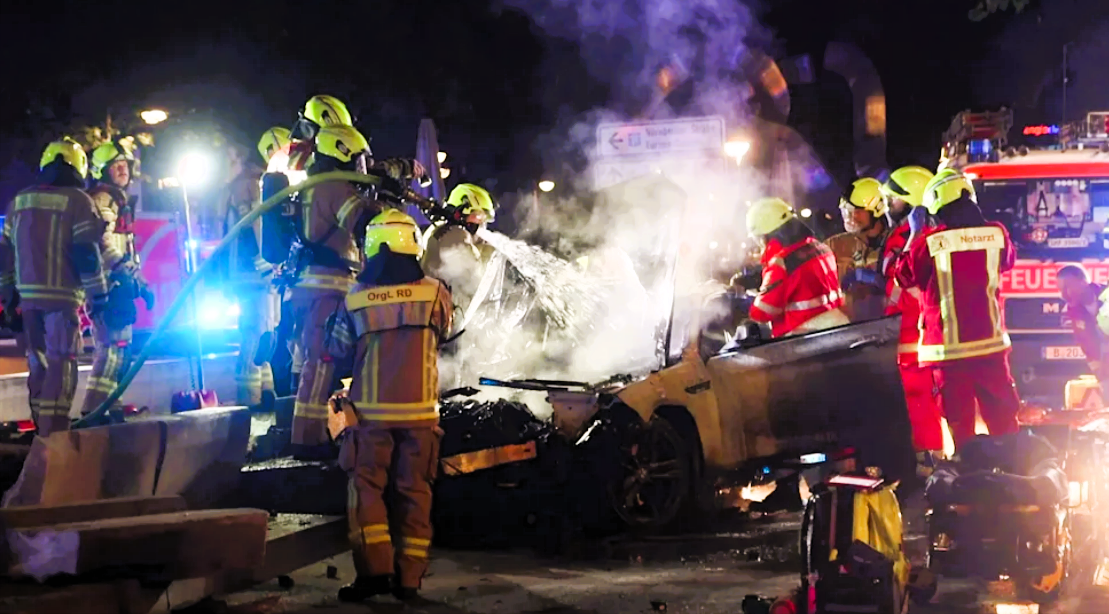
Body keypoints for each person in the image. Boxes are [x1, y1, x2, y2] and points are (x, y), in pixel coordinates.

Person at [324, 209, 453, 602]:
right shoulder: (436, 292)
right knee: (416, 491)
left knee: (366, 489)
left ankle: (375, 573)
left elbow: (338, 350)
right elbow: (445, 335)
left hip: (371, 416)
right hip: (422, 414)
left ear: (371, 248)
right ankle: (410, 579)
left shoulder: (356, 296)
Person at [894, 169, 1020, 449]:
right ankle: (1016, 475)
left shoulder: (930, 242)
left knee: (960, 428)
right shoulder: (997, 233)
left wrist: (915, 232)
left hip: (949, 355)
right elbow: (1008, 261)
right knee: (1005, 422)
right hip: (991, 348)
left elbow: (903, 276)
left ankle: (970, 480)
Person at [0, 138, 110, 435]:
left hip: (27, 302)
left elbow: (4, 256)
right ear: (77, 167)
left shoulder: (19, 201)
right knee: (62, 364)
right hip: (61, 301)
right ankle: (56, 433)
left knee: (38, 364)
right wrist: (99, 296)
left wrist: (8, 298)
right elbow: (87, 255)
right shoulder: (78, 201)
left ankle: (40, 432)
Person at [78, 139, 154, 418]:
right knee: (110, 350)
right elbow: (102, 241)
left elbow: (126, 248)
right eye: (116, 166)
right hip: (107, 285)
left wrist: (141, 282)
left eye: (126, 165)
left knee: (121, 350)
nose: (123, 170)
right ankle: (94, 410)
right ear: (102, 170)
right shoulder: (103, 199)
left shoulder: (118, 200)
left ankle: (110, 406)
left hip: (119, 283)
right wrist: (122, 268)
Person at [878, 166, 944, 474]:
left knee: (918, 399)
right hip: (905, 326)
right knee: (914, 400)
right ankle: (924, 457)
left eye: (893, 200)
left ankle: (927, 461)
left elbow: (905, 281)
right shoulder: (905, 234)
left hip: (912, 329)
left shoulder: (915, 236)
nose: (889, 207)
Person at [222, 139, 277, 408]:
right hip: (254, 271)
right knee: (256, 331)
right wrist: (269, 258)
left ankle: (265, 392)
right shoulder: (250, 183)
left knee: (264, 332)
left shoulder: (248, 182)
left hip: (250, 271)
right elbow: (257, 224)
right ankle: (251, 399)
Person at [746, 197, 848, 338]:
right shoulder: (821, 247)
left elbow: (762, 313)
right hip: (838, 329)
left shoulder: (782, 263)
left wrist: (745, 303)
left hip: (802, 342)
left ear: (766, 236)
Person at [421, 183, 496, 313]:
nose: (482, 223)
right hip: (445, 315)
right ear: (459, 213)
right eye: (478, 216)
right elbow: (476, 281)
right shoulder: (454, 235)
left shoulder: (438, 231)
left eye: (485, 218)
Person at [826, 178, 890, 322]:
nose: (849, 217)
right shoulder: (835, 245)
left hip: (887, 323)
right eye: (846, 211)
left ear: (876, 210)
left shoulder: (895, 243)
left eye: (857, 211)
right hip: (848, 326)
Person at [1057, 264, 1109, 385]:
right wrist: (1099, 373)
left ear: (1082, 282)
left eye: (1066, 287)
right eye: (1061, 290)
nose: (1063, 295)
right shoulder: (1074, 311)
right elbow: (1085, 343)